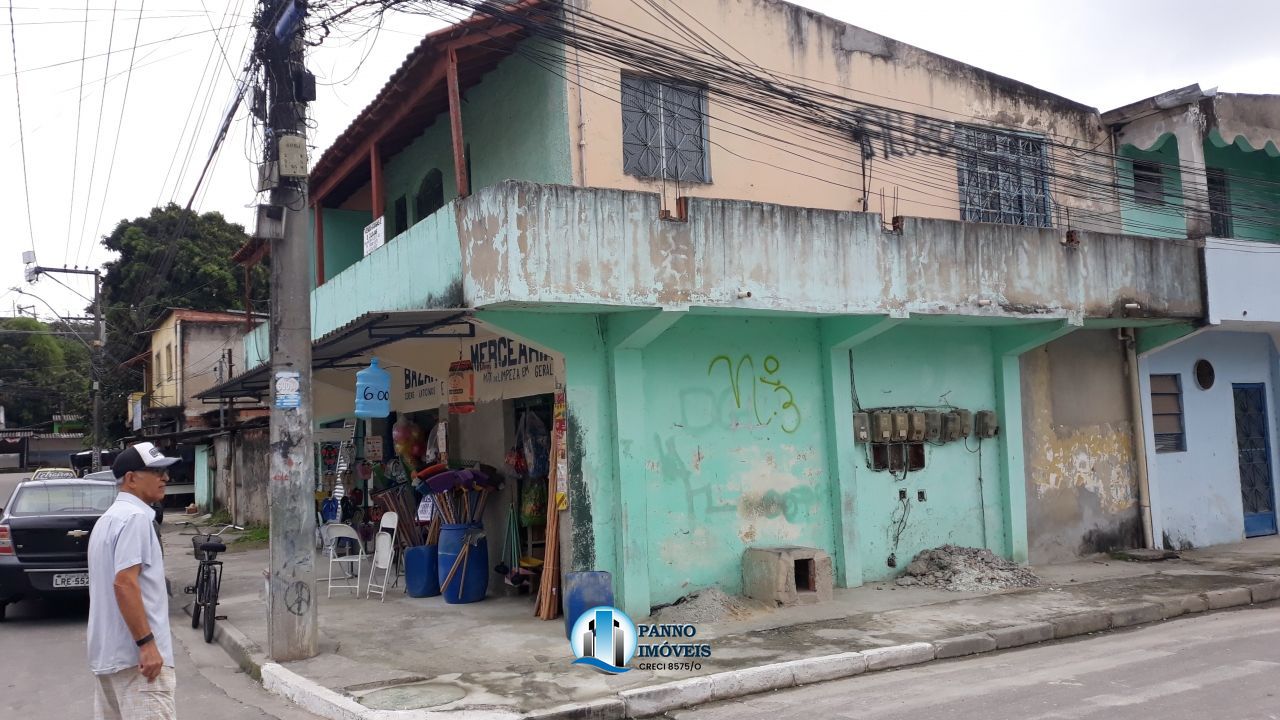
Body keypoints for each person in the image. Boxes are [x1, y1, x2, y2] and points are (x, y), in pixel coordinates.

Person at [87, 441, 180, 719]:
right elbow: (124, 583)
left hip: (109, 660)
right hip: (139, 664)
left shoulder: (107, 520)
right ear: (131, 479)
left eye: (165, 471)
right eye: (156, 472)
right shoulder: (135, 518)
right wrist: (147, 645)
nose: (165, 478)